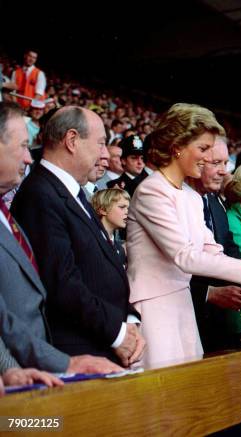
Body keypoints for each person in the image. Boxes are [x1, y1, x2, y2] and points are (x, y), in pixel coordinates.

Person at [127, 103, 241, 368]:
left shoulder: (190, 195)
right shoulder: (151, 191)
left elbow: (212, 251)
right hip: (154, 306)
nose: (207, 158)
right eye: (203, 149)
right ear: (177, 147)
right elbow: (185, 256)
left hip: (182, 302)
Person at [11, 106, 145, 367]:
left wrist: (128, 321)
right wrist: (117, 334)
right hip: (82, 350)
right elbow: (62, 283)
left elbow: (105, 264)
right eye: (101, 143)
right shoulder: (40, 194)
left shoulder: (74, 192)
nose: (105, 154)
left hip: (104, 342)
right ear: (72, 141)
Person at [189, 136, 241, 351]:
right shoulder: (176, 199)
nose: (224, 172)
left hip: (219, 325)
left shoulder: (213, 202)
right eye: (216, 163)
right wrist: (209, 294)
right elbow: (175, 263)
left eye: (226, 164)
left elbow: (229, 250)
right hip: (190, 320)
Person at [92, 188, 130, 266]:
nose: (127, 212)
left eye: (128, 208)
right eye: (122, 207)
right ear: (103, 210)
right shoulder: (89, 240)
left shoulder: (120, 249)